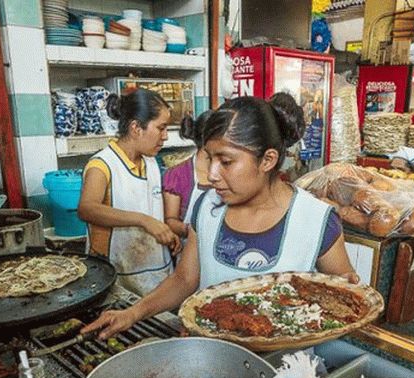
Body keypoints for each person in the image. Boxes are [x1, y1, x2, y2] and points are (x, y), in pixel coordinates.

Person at [82, 93, 359, 338]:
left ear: (267, 160)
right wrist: (132, 313)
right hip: (214, 365)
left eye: (226, 162)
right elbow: (184, 280)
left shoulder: (315, 220)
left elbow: (343, 296)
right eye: (210, 159)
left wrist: (348, 291)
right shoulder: (207, 207)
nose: (212, 175)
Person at [77, 89, 180, 296]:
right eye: (161, 128)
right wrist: (143, 220)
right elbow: (87, 209)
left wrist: (165, 231)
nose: (165, 136)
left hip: (156, 272)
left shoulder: (150, 162)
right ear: (136, 128)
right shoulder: (103, 165)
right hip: (118, 277)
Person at [162, 111, 211, 240]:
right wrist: (192, 231)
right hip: (188, 247)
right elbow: (170, 220)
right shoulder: (177, 175)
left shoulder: (229, 173)